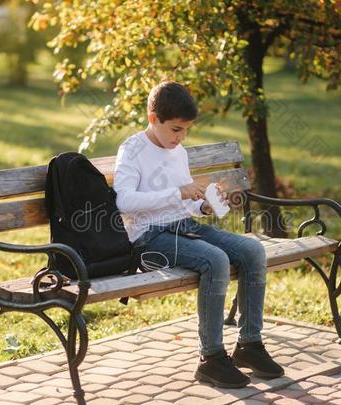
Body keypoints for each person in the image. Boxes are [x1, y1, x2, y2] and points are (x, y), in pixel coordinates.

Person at [113, 81, 284, 388]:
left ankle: (249, 345)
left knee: (253, 252)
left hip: (184, 226)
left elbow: (185, 199)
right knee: (215, 260)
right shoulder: (133, 149)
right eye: (176, 129)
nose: (181, 137)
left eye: (186, 130)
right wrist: (177, 192)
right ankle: (211, 359)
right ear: (153, 119)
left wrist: (203, 204)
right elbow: (124, 202)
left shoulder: (177, 151)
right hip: (148, 238)